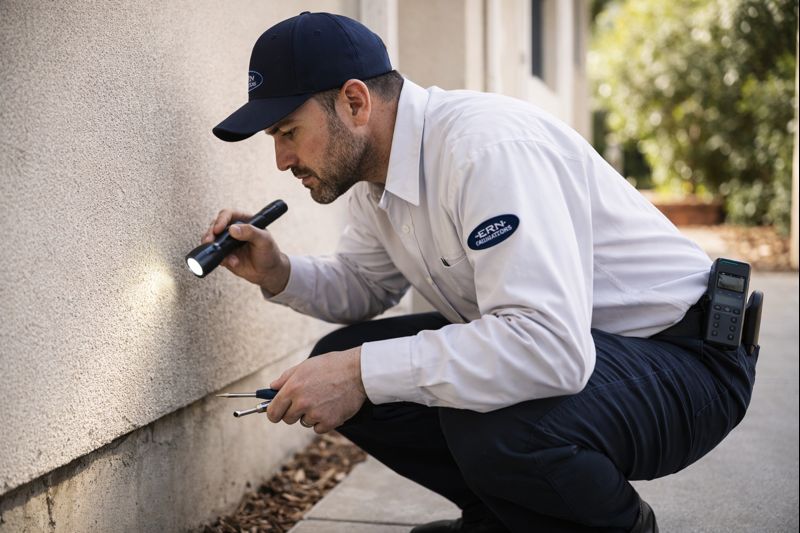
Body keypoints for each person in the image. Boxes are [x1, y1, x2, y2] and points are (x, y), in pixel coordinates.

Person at [202, 11, 758, 533]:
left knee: (484, 417)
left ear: (354, 102)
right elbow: (365, 285)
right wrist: (277, 272)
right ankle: (507, 518)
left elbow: (549, 349)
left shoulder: (484, 151)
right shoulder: (375, 180)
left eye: (287, 132)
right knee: (353, 362)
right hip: (594, 348)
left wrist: (360, 372)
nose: (280, 160)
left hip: (689, 362)